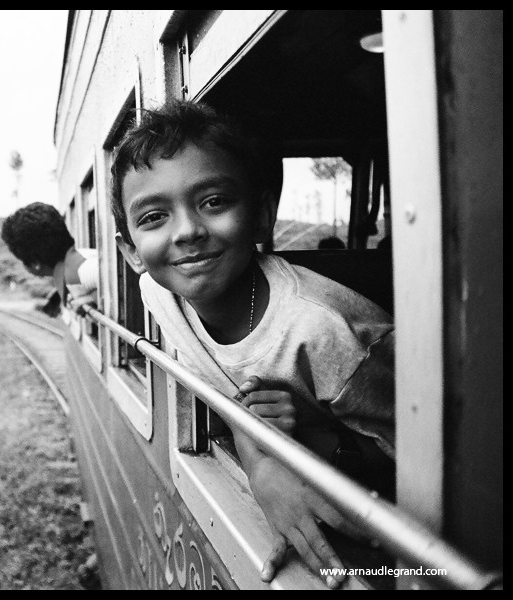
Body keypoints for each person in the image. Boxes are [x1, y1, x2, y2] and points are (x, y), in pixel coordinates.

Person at [110, 100, 395, 588]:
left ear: (262, 216)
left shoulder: (326, 332)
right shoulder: (156, 293)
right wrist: (260, 461)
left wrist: (318, 446)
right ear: (132, 251)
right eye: (154, 216)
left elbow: (437, 462)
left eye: (214, 201)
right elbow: (219, 380)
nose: (187, 232)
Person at [1, 202, 99, 316]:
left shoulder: (78, 273)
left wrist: (97, 298)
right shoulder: (78, 259)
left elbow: (114, 273)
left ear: (35, 263)